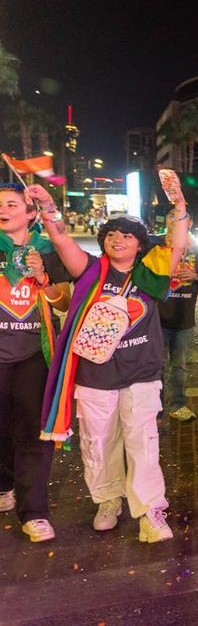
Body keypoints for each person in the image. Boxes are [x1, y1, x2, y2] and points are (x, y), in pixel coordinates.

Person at [31, 181, 189, 544]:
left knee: (144, 443)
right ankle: (107, 499)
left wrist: (178, 204)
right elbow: (61, 240)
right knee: (98, 443)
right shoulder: (89, 270)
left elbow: (178, 243)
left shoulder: (152, 271)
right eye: (112, 235)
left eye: (127, 236)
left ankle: (150, 511)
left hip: (142, 374)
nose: (118, 240)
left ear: (140, 243)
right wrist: (49, 208)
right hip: (95, 375)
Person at [0, 184, 71, 543]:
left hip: (34, 356)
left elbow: (64, 302)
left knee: (34, 433)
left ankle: (34, 512)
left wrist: (43, 278)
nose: (3, 209)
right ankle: (3, 483)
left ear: (30, 213)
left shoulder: (47, 250)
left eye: (11, 204)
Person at [158, 211, 198, 421]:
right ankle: (154, 409)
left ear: (190, 221)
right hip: (156, 318)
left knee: (179, 367)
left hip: (184, 319)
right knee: (156, 365)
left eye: (181, 216)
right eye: (171, 216)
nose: (174, 220)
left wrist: (196, 276)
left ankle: (177, 405)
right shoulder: (156, 245)